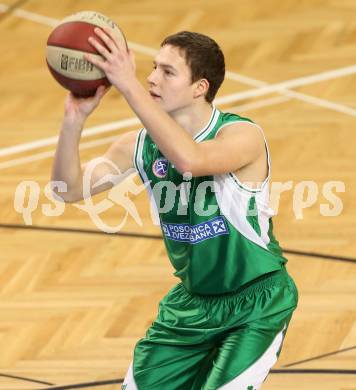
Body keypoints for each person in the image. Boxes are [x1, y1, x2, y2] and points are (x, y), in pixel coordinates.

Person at [52, 28, 298, 390]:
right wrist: (73, 120)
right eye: (152, 68)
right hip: (191, 305)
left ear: (200, 87)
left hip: (255, 304)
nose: (151, 78)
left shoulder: (242, 135)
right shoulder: (138, 146)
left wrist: (127, 84)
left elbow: (191, 159)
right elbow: (66, 189)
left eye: (167, 72)